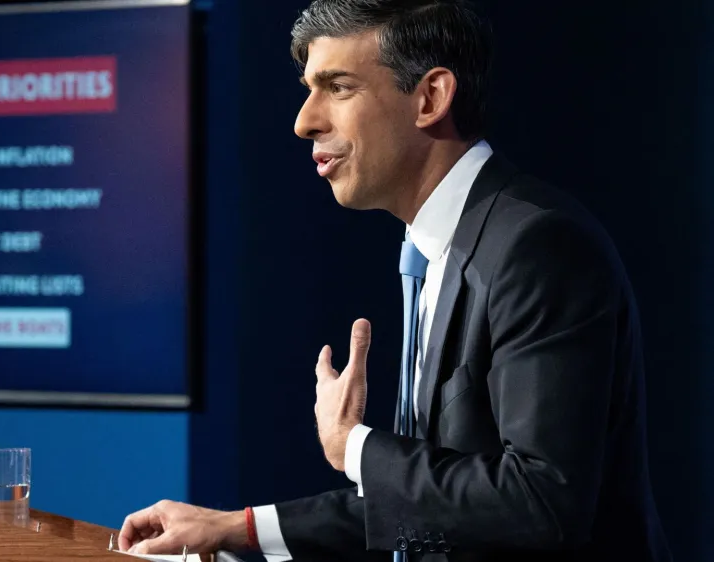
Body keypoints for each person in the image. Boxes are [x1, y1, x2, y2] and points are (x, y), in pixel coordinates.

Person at [118, 0, 673, 560]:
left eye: (338, 87)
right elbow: (436, 502)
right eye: (310, 88)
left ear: (430, 97)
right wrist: (237, 528)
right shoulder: (435, 246)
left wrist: (354, 447)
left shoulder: (538, 245)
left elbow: (540, 502)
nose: (304, 121)